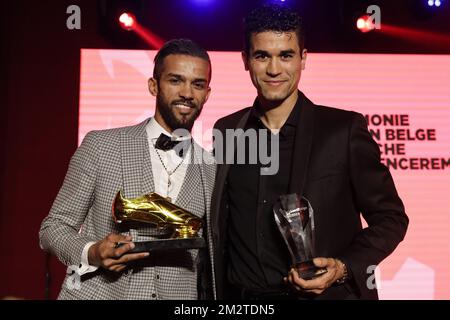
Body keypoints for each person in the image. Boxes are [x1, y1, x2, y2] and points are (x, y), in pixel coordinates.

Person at [210, 5, 408, 300]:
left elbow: (391, 218)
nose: (274, 69)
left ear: (303, 59)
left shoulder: (343, 130)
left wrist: (342, 267)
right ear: (246, 60)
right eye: (262, 55)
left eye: (286, 55)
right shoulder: (227, 131)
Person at [39, 39, 216, 300]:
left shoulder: (212, 169)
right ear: (153, 85)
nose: (187, 93)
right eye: (175, 80)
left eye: (197, 84)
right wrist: (93, 251)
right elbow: (52, 228)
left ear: (207, 94)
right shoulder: (101, 146)